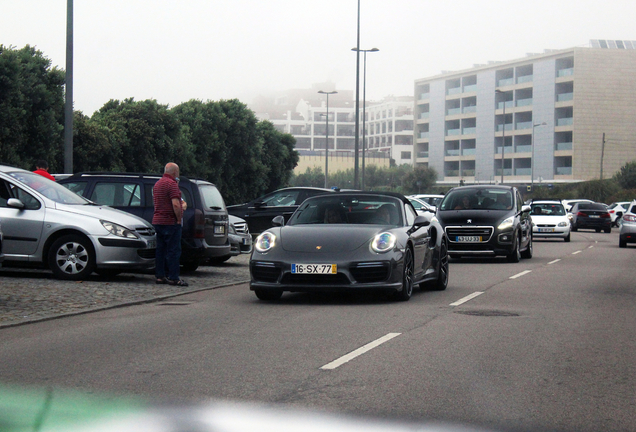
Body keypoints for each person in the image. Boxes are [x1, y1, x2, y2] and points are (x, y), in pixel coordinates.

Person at [152, 162, 188, 286]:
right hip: (170, 221)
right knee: (173, 250)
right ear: (174, 172)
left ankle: (160, 276)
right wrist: (178, 219)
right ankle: (173, 277)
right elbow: (176, 204)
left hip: (158, 220)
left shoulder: (157, 184)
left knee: (160, 250)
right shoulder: (172, 184)